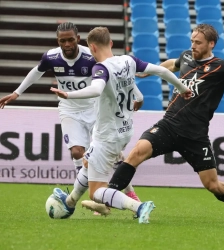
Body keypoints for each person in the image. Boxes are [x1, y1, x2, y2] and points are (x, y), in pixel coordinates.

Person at [97, 24, 224, 224]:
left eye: (198, 42)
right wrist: (148, 72)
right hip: (168, 125)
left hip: (195, 136)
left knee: (213, 185)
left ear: (211, 44)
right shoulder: (186, 56)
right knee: (136, 153)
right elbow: (172, 64)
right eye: (192, 41)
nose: (193, 46)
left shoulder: (222, 67)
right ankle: (108, 199)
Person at [50, 26, 192, 223]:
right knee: (88, 162)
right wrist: (182, 88)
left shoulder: (100, 68)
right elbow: (160, 70)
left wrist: (68, 94)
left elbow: (96, 89)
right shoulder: (128, 60)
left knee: (96, 192)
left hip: (107, 135)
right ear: (110, 43)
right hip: (124, 130)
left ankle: (139, 206)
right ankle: (70, 201)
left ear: (92, 47)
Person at [0, 22, 141, 210]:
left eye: (70, 40)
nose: (67, 44)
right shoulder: (51, 57)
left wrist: (136, 92)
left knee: (114, 155)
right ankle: (89, 196)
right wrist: (17, 93)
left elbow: (117, 73)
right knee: (77, 152)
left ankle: (129, 192)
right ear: (57, 41)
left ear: (78, 39)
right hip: (69, 109)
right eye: (62, 41)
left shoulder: (91, 56)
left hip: (95, 109)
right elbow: (36, 72)